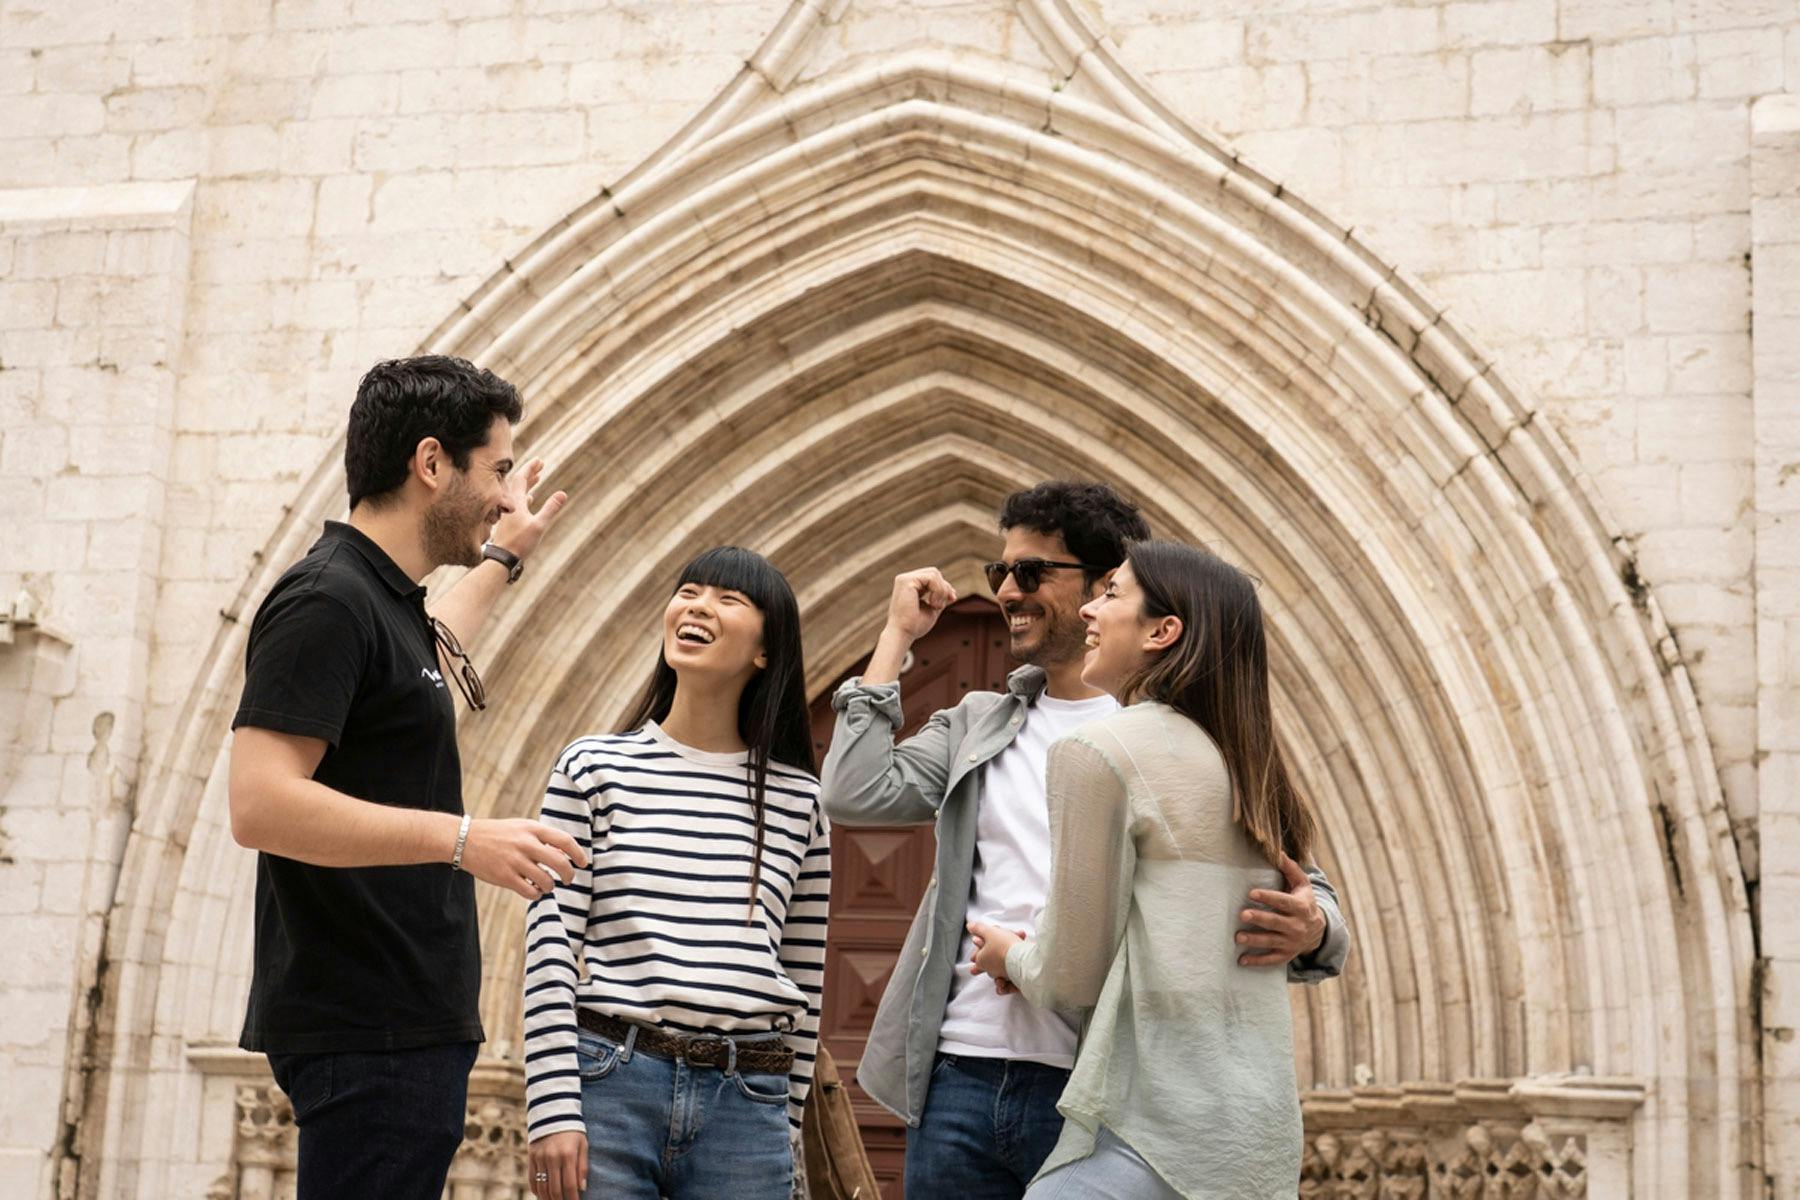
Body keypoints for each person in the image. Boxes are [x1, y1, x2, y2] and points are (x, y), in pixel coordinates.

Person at [820, 481, 1348, 1200]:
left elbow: (1300, 884)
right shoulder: (978, 722)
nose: (1008, 590)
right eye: (1000, 572)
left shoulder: (1193, 742)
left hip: (1101, 1088)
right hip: (959, 1075)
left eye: (1031, 571)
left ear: (1106, 585)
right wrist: (896, 639)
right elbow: (853, 791)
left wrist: (1315, 927)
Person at [227, 355, 586, 1200]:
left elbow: (417, 674)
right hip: (366, 1028)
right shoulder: (326, 599)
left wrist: (503, 559)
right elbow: (260, 802)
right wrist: (462, 840)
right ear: (431, 463)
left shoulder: (382, 601)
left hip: (402, 1028)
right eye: (496, 469)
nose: (503, 495)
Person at [969, 539, 1322, 1197]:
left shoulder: (1097, 750)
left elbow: (1072, 975)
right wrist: (1322, 925)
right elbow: (1309, 894)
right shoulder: (1247, 760)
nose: (1090, 611)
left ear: (1163, 632)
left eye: (1111, 594)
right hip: (1255, 1139)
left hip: (1149, 1132)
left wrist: (1007, 955)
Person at [523, 547, 832, 1200]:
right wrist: (552, 1107)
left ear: (766, 652)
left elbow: (805, 972)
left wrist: (785, 1124)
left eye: (728, 599)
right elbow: (549, 943)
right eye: (689, 591)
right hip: (608, 1083)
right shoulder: (591, 768)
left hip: (748, 1103)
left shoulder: (800, 801)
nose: (698, 607)